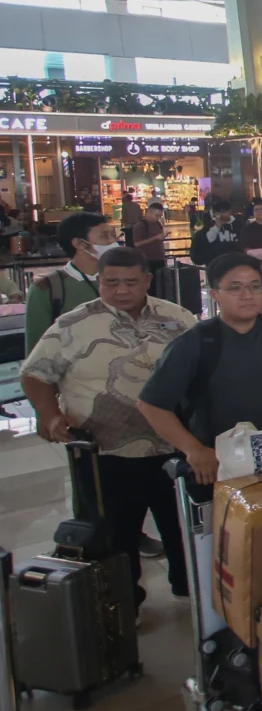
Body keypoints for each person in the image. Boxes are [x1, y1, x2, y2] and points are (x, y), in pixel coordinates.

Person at [22, 247, 197, 602]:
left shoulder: (177, 317)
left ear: (147, 280)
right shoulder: (74, 324)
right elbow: (35, 375)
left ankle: (189, 588)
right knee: (115, 537)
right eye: (110, 282)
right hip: (106, 452)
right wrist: (49, 415)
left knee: (184, 528)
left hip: (173, 447)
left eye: (130, 282)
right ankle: (123, 604)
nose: (120, 290)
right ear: (98, 281)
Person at [138, 252, 262, 489]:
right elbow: (150, 404)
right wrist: (194, 450)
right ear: (214, 295)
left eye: (254, 286)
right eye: (235, 288)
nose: (247, 295)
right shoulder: (196, 342)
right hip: (216, 465)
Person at [26, 211, 116, 353]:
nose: (112, 242)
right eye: (104, 236)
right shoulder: (46, 288)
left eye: (113, 235)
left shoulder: (123, 281)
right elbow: (35, 350)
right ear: (79, 243)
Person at [189, 199, 240, 267]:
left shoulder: (238, 225)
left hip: (235, 263)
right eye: (219, 212)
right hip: (215, 264)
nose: (222, 214)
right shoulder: (209, 226)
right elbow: (208, 240)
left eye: (225, 211)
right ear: (215, 213)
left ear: (230, 211)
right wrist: (216, 227)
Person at [132, 201, 169, 281]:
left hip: (159, 259)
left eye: (160, 216)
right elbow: (137, 243)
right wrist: (155, 238)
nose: (158, 218)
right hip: (148, 260)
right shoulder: (141, 226)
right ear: (149, 212)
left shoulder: (157, 224)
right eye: (157, 215)